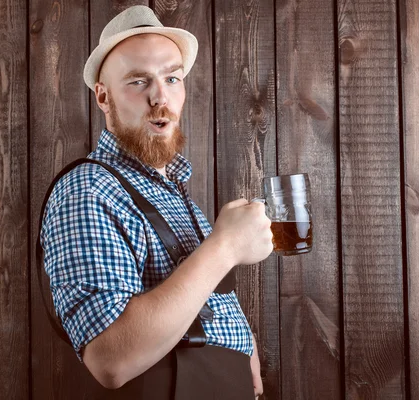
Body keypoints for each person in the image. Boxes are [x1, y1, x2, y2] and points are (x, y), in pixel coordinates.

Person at [40, 5, 273, 399]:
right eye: (137, 81)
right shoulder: (88, 189)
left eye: (172, 78)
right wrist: (226, 247)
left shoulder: (172, 190)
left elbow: (192, 297)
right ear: (103, 96)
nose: (159, 97)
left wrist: (241, 341)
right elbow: (111, 358)